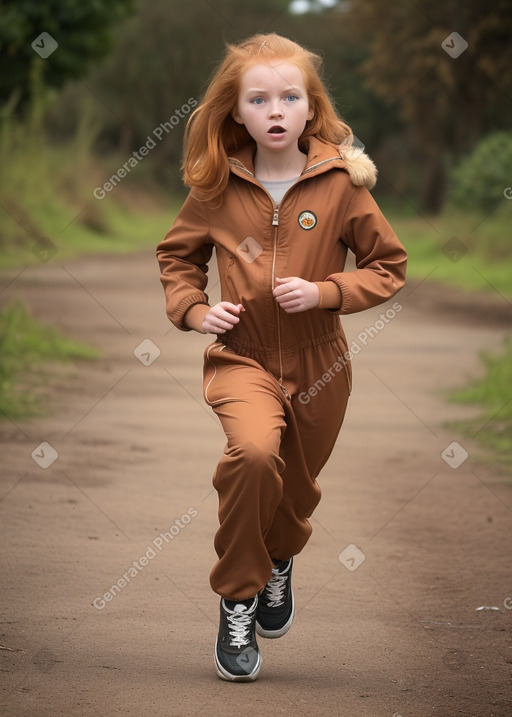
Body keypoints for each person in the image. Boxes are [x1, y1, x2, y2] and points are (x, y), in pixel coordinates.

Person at [156, 32, 407, 682]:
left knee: (294, 490)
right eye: (258, 98)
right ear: (235, 111)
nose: (274, 108)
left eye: (289, 96)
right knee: (254, 455)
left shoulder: (343, 186)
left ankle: (279, 556)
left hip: (321, 364)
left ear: (309, 108)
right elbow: (178, 257)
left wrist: (327, 292)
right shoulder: (214, 188)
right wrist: (193, 309)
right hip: (241, 357)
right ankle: (238, 597)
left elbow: (389, 266)